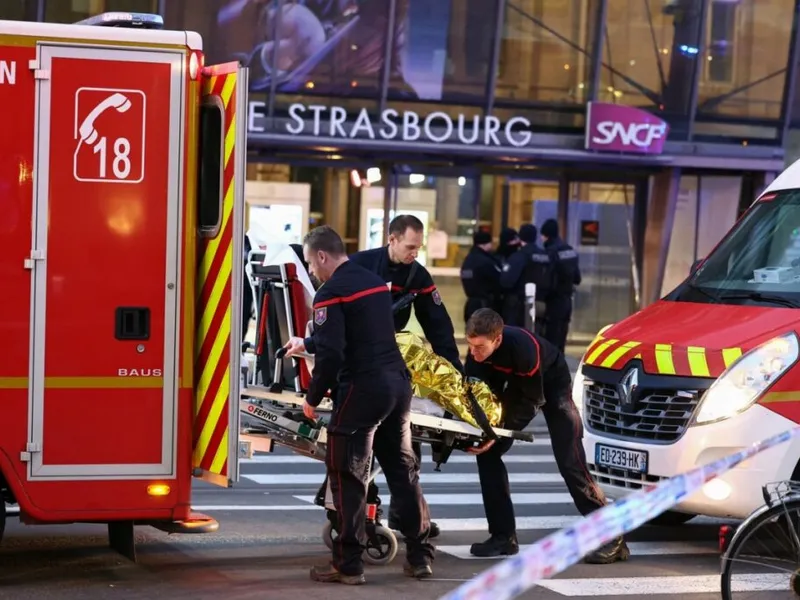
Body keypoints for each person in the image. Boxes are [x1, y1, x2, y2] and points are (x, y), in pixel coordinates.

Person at [283, 225, 435, 584]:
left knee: (348, 473)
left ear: (321, 256)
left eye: (311, 263)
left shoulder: (330, 292)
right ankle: (420, 555)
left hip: (363, 389)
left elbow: (334, 353)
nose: (313, 272)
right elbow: (356, 333)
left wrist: (312, 396)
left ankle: (348, 564)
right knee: (403, 471)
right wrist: (307, 341)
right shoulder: (372, 282)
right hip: (397, 386)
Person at [462, 308, 629, 564]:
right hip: (513, 386)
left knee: (570, 462)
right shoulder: (477, 353)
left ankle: (612, 537)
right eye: (470, 345)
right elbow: (474, 394)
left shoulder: (523, 348)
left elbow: (531, 400)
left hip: (551, 384)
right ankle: (503, 537)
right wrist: (479, 430)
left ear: (497, 339)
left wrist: (498, 431)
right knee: (488, 454)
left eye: (480, 347)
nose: (474, 353)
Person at [350, 214, 463, 537]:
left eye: (419, 247)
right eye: (410, 247)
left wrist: (455, 374)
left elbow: (438, 327)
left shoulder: (417, 275)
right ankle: (367, 514)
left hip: (392, 365)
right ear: (393, 239)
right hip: (361, 364)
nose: (415, 253)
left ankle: (405, 515)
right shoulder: (362, 266)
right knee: (365, 448)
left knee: (408, 446)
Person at [499, 223, 551, 333]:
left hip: (520, 306)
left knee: (517, 338)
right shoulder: (545, 256)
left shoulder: (519, 256)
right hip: (542, 303)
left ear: (520, 237)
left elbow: (506, 281)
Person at [539, 219, 581, 353]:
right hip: (567, 301)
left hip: (553, 302)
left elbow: (546, 280)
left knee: (550, 340)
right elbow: (577, 278)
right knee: (561, 339)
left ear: (546, 235)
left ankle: (551, 371)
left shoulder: (550, 253)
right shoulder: (570, 251)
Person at [460, 229, 502, 324]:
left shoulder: (468, 260)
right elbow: (499, 279)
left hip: (470, 304)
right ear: (486, 244)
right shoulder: (486, 261)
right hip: (484, 305)